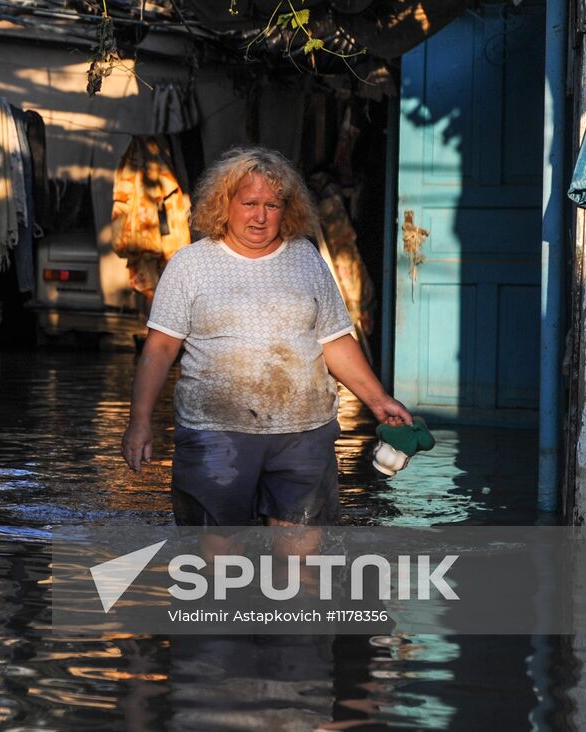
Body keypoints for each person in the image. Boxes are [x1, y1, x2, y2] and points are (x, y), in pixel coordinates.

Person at [122, 147, 411, 530]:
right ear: (224, 204)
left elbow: (335, 341)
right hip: (215, 435)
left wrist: (379, 401)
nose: (260, 216)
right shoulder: (190, 265)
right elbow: (159, 349)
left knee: (301, 564)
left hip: (304, 434)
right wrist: (139, 420)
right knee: (219, 563)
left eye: (273, 205)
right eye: (250, 203)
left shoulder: (305, 258)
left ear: (287, 209)